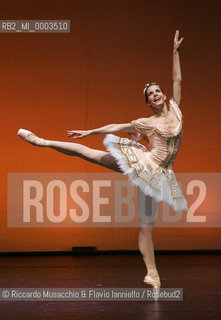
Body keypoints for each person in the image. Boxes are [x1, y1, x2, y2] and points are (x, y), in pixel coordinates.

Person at [17, 30, 188, 292]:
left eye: (157, 90)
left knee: (146, 226)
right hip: (145, 164)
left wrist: (174, 51)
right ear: (147, 102)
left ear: (164, 95)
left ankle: (152, 276)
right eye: (150, 94)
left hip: (162, 173)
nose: (155, 94)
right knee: (91, 154)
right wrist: (91, 131)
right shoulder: (147, 122)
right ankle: (42, 141)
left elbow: (177, 78)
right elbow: (117, 125)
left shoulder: (176, 108)